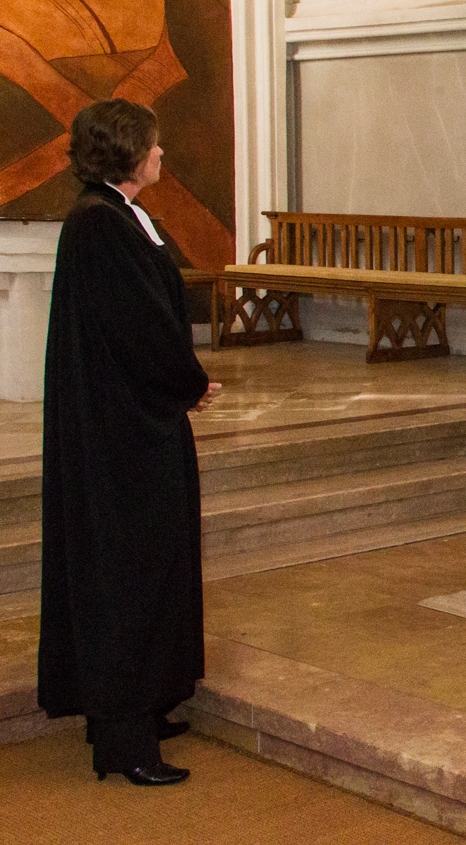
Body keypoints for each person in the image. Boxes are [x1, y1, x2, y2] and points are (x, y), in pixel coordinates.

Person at [38, 99, 222, 786]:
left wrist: (177, 382)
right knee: (127, 574)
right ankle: (123, 738)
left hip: (136, 423)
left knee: (153, 565)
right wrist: (187, 381)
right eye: (153, 143)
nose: (162, 152)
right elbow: (136, 326)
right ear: (127, 153)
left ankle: (145, 704)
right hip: (121, 438)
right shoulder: (99, 223)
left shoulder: (114, 214)